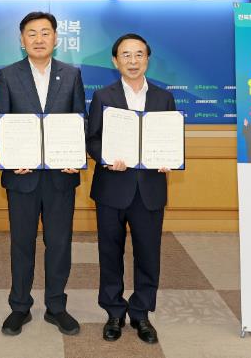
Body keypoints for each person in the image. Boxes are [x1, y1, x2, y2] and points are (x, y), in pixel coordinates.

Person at [0, 11, 86, 336]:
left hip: (61, 175)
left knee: (59, 243)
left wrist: (76, 155)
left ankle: (56, 307)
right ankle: (20, 307)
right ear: (22, 40)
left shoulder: (71, 75)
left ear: (56, 39)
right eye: (32, 33)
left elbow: (81, 120)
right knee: (22, 243)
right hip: (22, 174)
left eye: (46, 33)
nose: (39, 39)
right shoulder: (7, 75)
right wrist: (12, 153)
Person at [86, 33, 175, 344]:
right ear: (115, 61)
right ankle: (114, 312)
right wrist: (107, 158)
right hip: (112, 187)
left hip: (149, 189)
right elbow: (92, 139)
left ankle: (141, 313)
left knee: (148, 254)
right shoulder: (103, 96)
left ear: (147, 59)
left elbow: (170, 138)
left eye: (139, 54)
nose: (133, 61)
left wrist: (168, 158)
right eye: (126, 55)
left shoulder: (164, 98)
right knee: (110, 252)